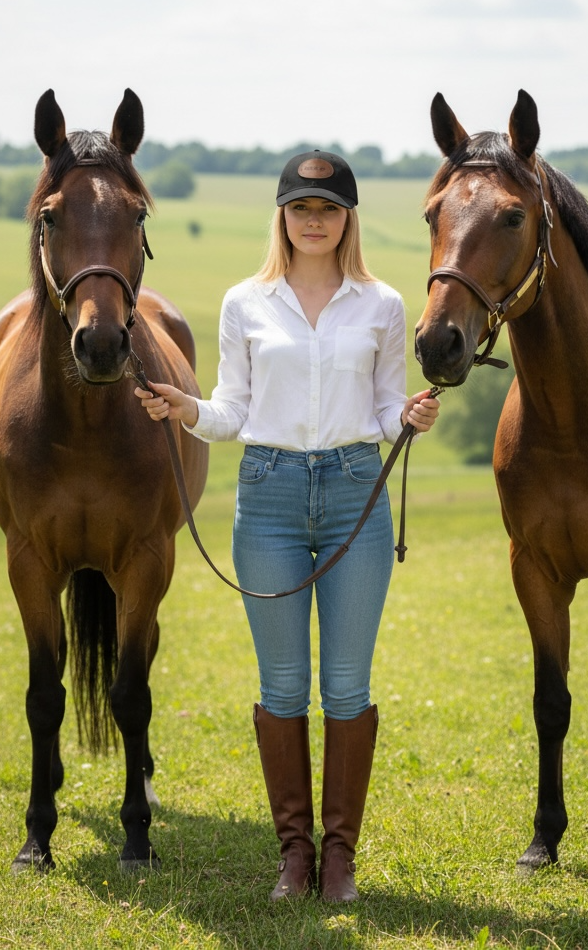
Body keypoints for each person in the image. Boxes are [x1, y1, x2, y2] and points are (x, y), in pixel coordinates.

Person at [134, 149, 439, 902]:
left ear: (348, 219)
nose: (314, 221)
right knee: (282, 684)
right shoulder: (246, 301)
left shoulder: (383, 304)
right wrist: (187, 409)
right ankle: (293, 857)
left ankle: (340, 859)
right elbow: (233, 411)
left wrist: (408, 418)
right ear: (282, 215)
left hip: (353, 490)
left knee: (345, 684)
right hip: (266, 493)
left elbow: (381, 411)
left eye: (328, 209)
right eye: (301, 208)